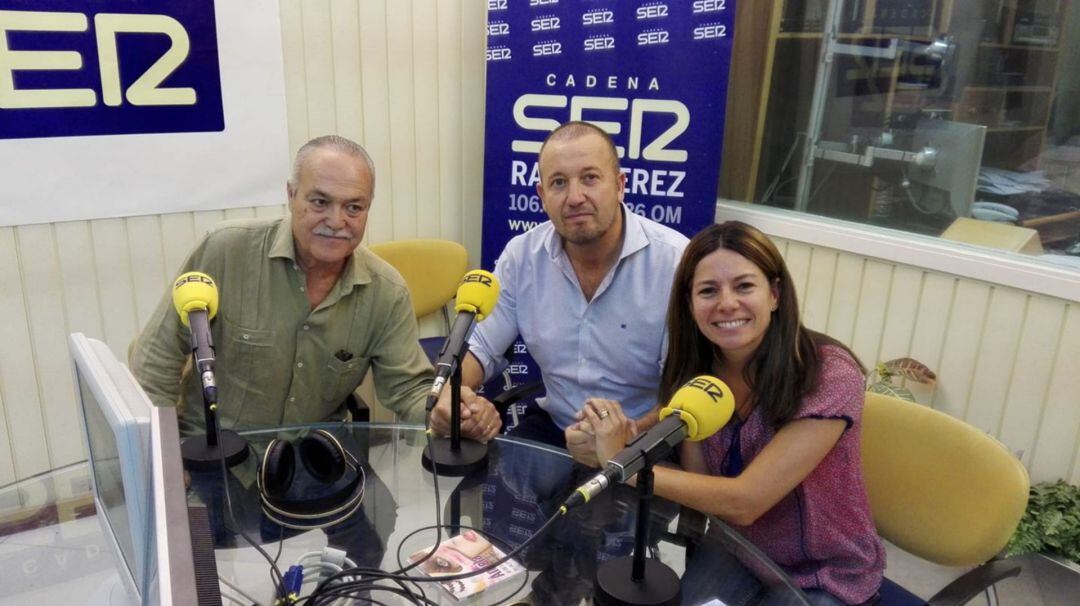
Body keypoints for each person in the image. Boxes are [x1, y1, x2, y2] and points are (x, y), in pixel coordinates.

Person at [579, 221, 885, 605]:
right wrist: (608, 436)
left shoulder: (828, 374)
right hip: (740, 551)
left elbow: (745, 502)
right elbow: (697, 478)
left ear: (774, 295)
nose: (726, 303)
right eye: (708, 290)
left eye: (744, 286)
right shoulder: (698, 374)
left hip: (824, 573)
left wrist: (623, 466)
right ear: (690, 304)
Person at [129, 134, 498, 439]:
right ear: (291, 195)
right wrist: (165, 460)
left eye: (354, 208)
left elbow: (408, 388)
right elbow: (155, 361)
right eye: (320, 202)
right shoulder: (225, 251)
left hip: (313, 464)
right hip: (214, 455)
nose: (336, 221)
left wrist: (445, 409)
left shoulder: (386, 291)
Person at [430, 121, 688, 456]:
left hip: (645, 436)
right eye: (559, 183)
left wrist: (628, 435)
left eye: (590, 178)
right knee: (482, 479)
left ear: (620, 185)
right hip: (555, 427)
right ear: (542, 196)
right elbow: (480, 348)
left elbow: (686, 391)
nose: (575, 197)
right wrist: (454, 396)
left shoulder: (675, 263)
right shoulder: (522, 256)